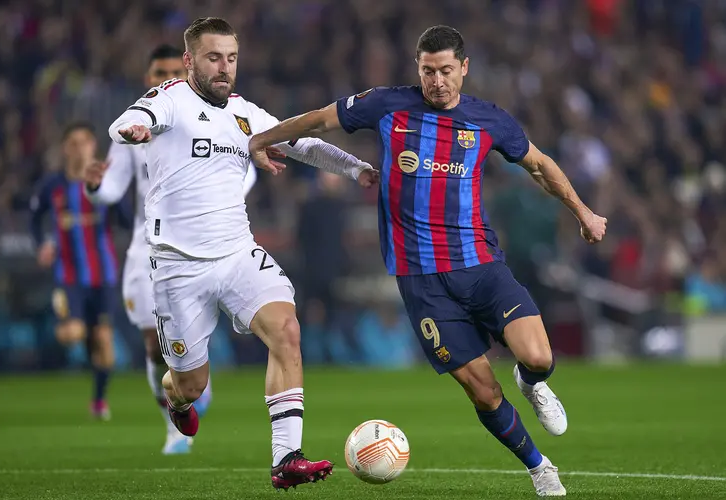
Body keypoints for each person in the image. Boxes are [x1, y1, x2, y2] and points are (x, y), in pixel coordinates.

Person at [247, 25, 608, 497]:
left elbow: (538, 164)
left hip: (481, 265)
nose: (436, 81)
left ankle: (533, 381)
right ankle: (541, 468)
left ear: (464, 68)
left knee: (538, 356)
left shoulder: (489, 120)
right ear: (418, 69)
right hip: (423, 284)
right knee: (482, 390)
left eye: (445, 71)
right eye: (427, 71)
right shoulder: (387, 105)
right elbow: (317, 120)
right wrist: (262, 139)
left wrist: (582, 212)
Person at [106, 17, 378, 490]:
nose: (224, 67)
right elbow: (130, 120)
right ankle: (178, 399)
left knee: (286, 330)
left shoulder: (246, 113)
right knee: (191, 384)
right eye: (213, 58)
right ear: (190, 60)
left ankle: (286, 458)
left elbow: (304, 145)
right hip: (177, 266)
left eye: (231, 58)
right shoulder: (169, 99)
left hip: (236, 254)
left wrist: (357, 170)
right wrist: (133, 131)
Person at [84, 44, 254, 454]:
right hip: (147, 247)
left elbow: (242, 173)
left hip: (207, 238)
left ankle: (192, 381)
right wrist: (93, 187)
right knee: (150, 343)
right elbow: (111, 188)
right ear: (147, 77)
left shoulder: (208, 118)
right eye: (157, 70)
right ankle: (174, 426)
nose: (165, 77)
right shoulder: (137, 126)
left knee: (192, 332)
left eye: (172, 70)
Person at [30, 122, 124, 421]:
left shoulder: (107, 182)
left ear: (93, 146)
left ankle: (98, 401)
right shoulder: (52, 185)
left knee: (106, 347)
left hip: (105, 276)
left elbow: (126, 218)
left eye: (85, 141)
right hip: (69, 276)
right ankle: (82, 337)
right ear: (64, 148)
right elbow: (34, 218)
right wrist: (41, 244)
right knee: (74, 333)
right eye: (73, 142)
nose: (79, 147)